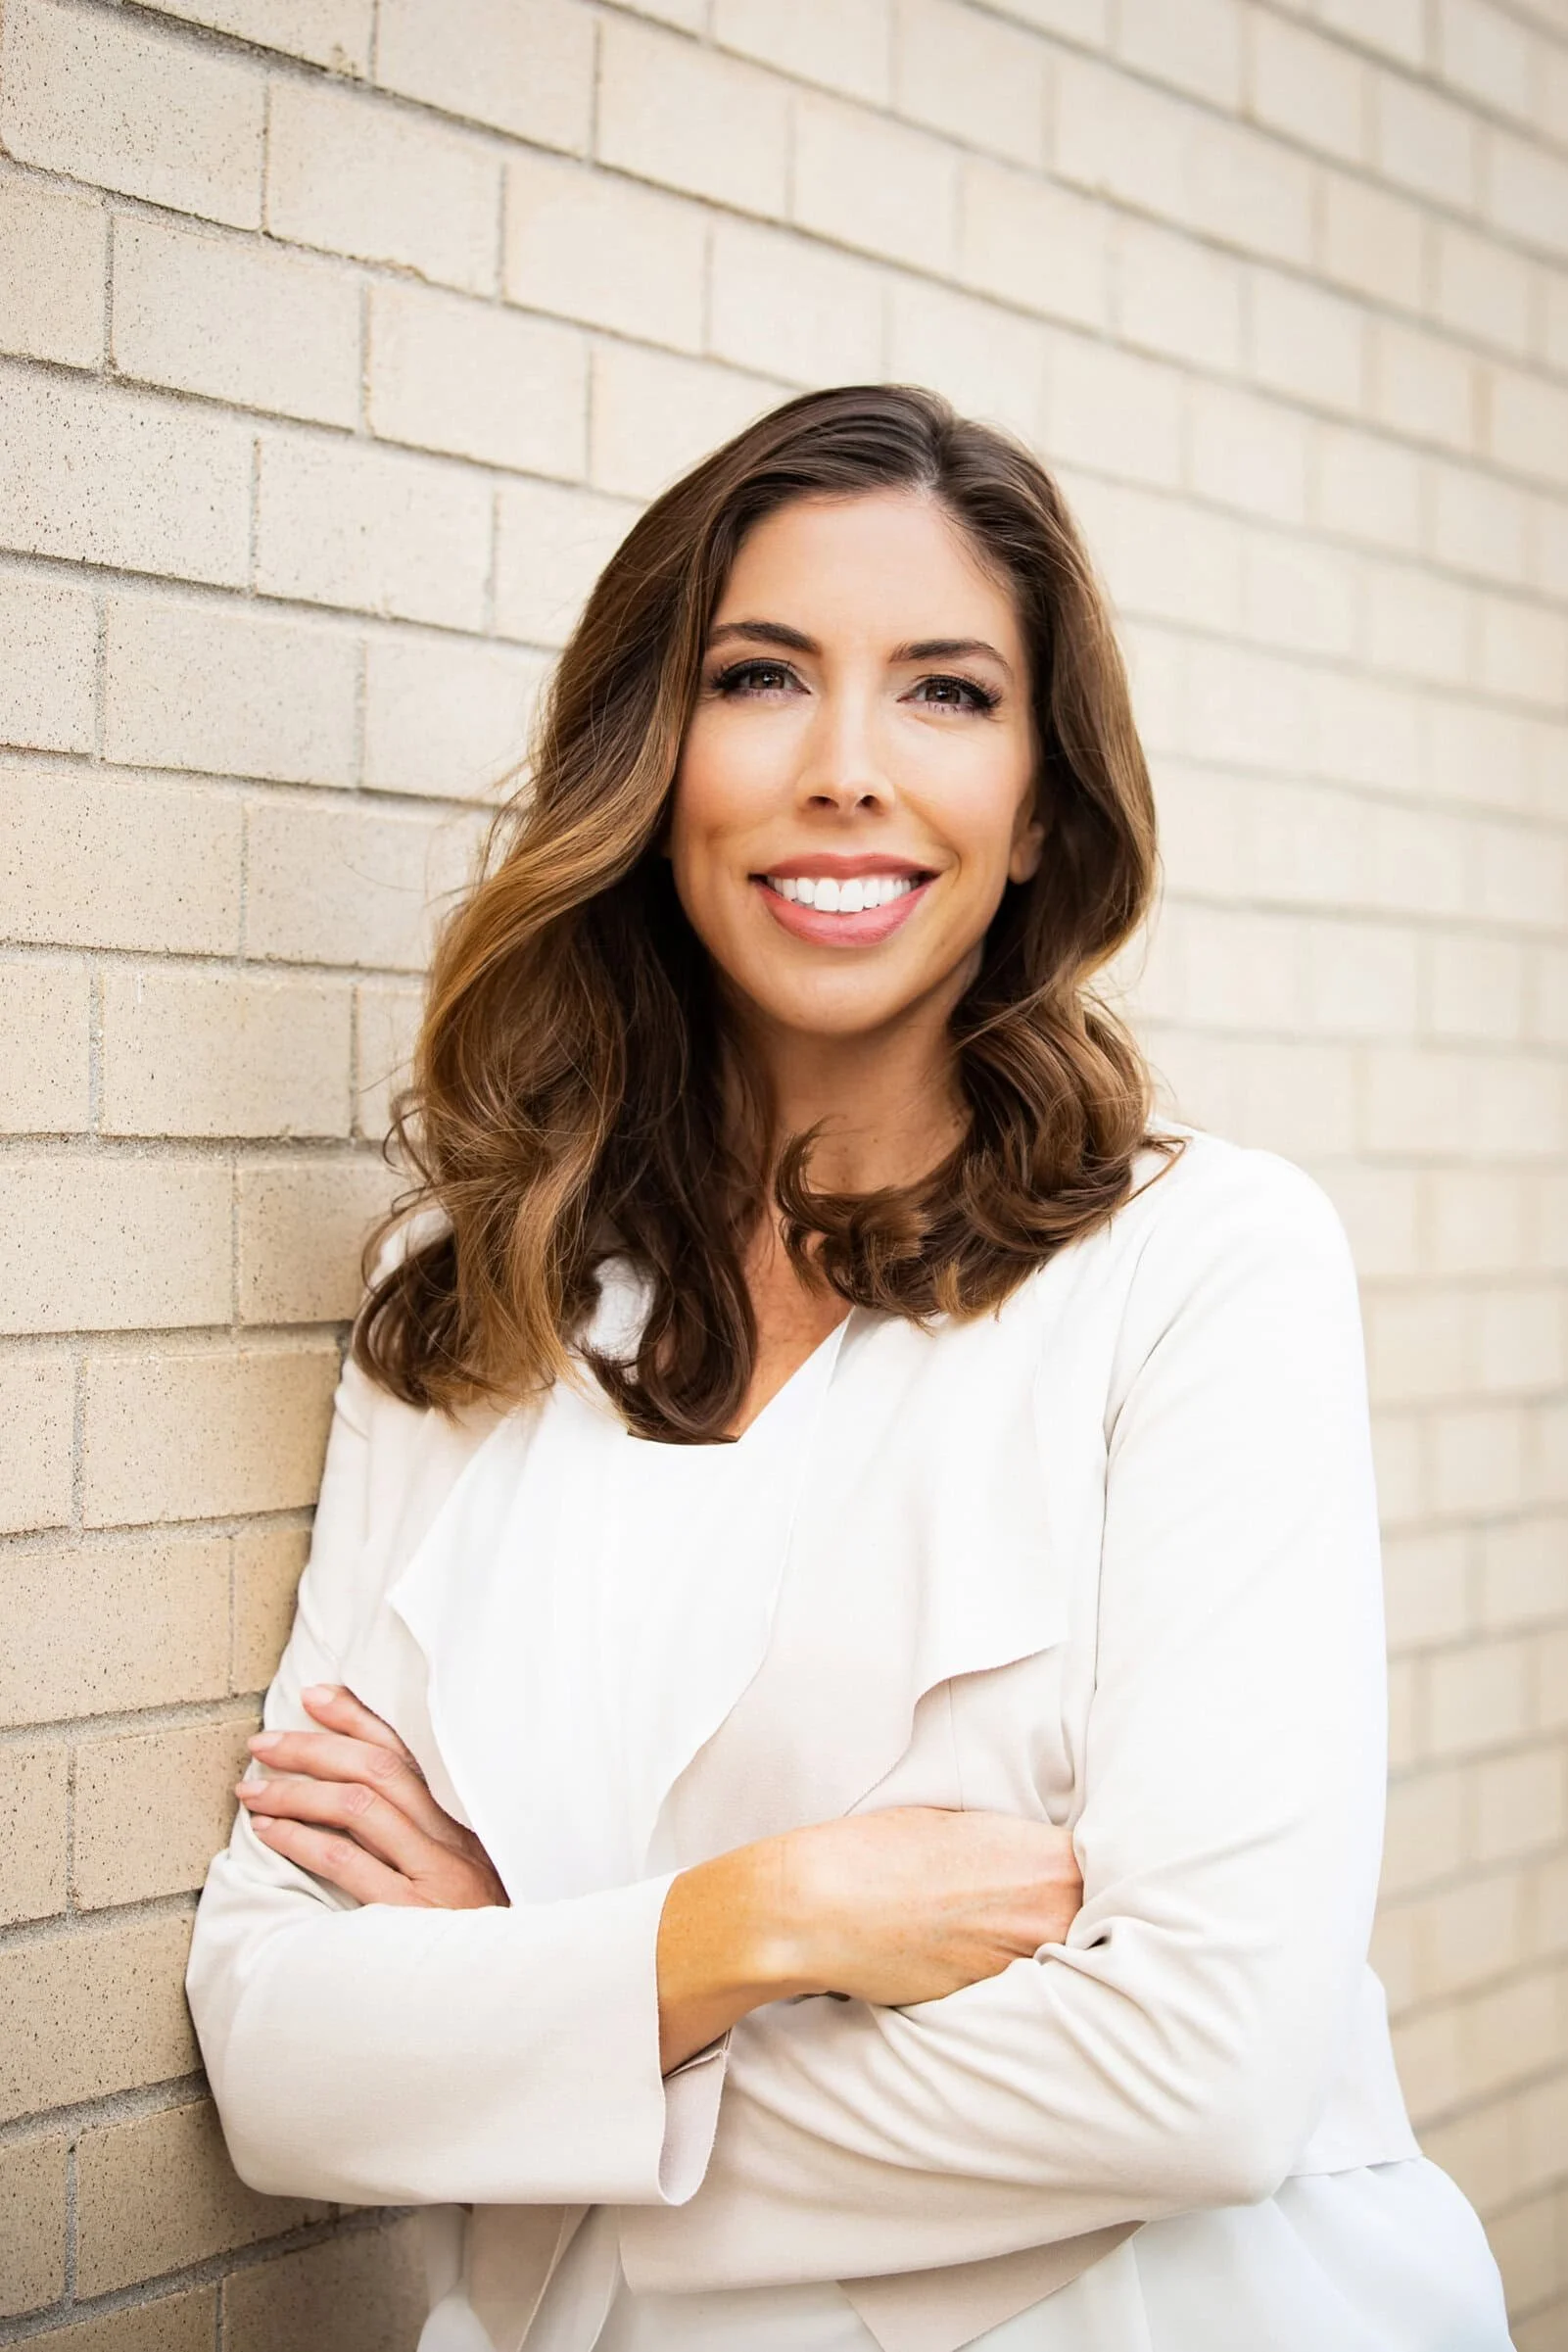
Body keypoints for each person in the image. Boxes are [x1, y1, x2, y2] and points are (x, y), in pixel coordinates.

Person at [185, 385, 1512, 2352]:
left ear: (1042, 800)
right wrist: (748, 1927)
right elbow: (282, 2049)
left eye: (945, 694)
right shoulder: (474, 1309)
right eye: (759, 676)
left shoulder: (1196, 1273)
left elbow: (1199, 2073)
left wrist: (528, 2006)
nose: (844, 770)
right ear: (654, 756)